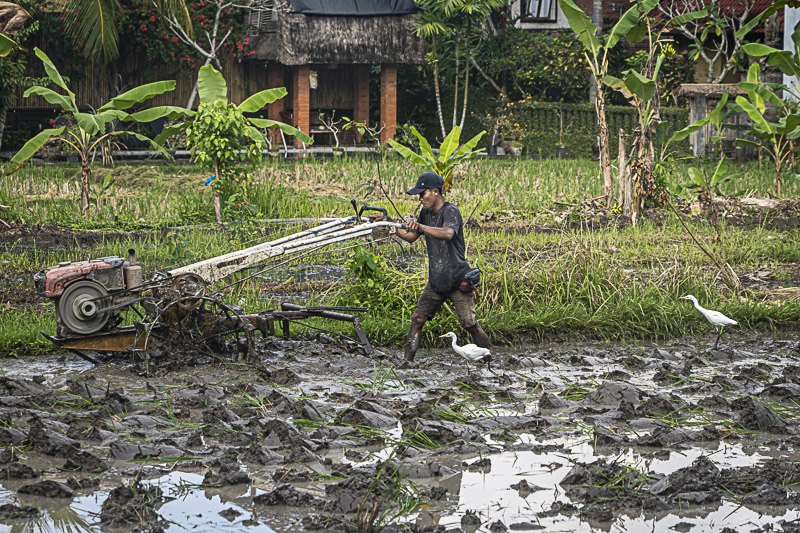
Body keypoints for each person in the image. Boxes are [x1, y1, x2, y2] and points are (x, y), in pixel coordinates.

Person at [396, 171, 489, 362]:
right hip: (436, 281)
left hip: (457, 279)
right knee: (417, 319)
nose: (420, 199)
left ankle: (488, 359)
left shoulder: (450, 211)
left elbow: (447, 233)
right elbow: (412, 237)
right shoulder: (425, 213)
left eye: (423, 194)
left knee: (470, 325)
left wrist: (421, 227)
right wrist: (392, 227)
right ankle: (407, 362)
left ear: (435, 191)